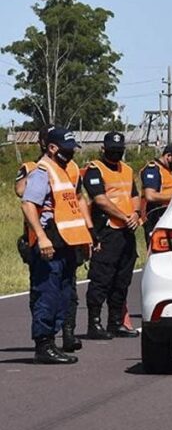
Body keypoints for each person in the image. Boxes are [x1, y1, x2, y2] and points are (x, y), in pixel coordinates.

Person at [21, 128, 94, 364]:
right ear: (52, 148)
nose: (71, 152)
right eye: (66, 148)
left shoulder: (64, 170)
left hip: (66, 242)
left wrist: (85, 238)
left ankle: (54, 340)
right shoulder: (43, 171)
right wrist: (41, 237)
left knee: (63, 294)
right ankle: (44, 345)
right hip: (49, 241)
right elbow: (28, 204)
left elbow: (74, 206)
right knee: (47, 294)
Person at [81, 131, 142, 339]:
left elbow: (135, 195)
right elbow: (100, 199)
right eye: (112, 150)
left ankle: (115, 322)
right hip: (106, 231)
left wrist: (135, 214)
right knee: (101, 278)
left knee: (122, 279)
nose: (116, 154)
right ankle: (94, 324)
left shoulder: (127, 169)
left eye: (119, 150)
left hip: (126, 232)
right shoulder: (94, 169)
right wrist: (124, 216)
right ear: (103, 149)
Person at [141, 143, 172, 242]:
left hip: (165, 217)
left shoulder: (166, 170)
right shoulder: (153, 170)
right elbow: (150, 196)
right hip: (154, 218)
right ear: (168, 156)